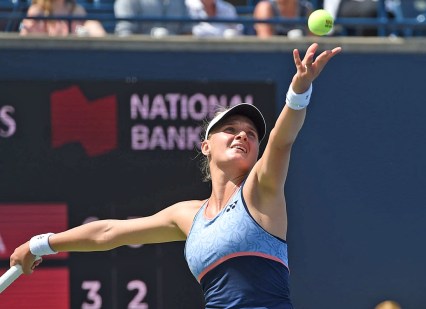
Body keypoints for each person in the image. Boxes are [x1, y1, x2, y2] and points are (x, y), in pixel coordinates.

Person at [10, 43, 341, 308]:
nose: (243, 136)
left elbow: (281, 143)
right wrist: (41, 244)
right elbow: (110, 232)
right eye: (230, 129)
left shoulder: (260, 192)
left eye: (251, 134)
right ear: (206, 146)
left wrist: (298, 93)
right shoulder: (187, 216)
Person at [20, 0, 106, 36]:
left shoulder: (77, 10)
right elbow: (24, 41)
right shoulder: (37, 11)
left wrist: (88, 30)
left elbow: (80, 31)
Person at [114, 0, 192, 36]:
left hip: (176, 58)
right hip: (140, 58)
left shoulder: (180, 1)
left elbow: (187, 32)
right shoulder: (128, 1)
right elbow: (125, 35)